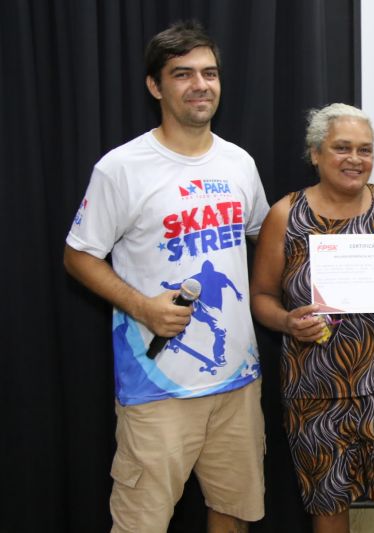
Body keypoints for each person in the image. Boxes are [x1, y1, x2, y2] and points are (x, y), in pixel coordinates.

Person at [63, 21, 269, 532]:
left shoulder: (239, 163)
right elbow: (78, 255)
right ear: (156, 86)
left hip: (236, 382)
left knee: (234, 512)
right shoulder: (122, 168)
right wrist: (143, 307)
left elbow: (266, 238)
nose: (200, 84)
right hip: (158, 389)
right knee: (141, 524)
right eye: (183, 74)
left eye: (210, 73)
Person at [249, 103, 374, 533]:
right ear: (316, 154)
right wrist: (287, 322)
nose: (356, 159)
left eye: (365, 150)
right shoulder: (286, 215)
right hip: (316, 392)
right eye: (342, 148)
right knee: (328, 505)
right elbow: (261, 296)